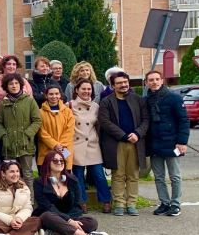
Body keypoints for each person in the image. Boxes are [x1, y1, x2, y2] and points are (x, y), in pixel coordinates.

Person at [98, 72, 149, 216]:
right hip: (117, 143)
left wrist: (137, 133)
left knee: (133, 175)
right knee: (118, 174)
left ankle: (132, 203)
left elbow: (146, 120)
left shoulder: (138, 100)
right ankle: (119, 203)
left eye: (125, 82)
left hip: (136, 142)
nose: (123, 85)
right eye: (119, 83)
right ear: (113, 85)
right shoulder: (106, 102)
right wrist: (124, 135)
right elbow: (105, 122)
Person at [33, 150, 110, 235]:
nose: (59, 163)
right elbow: (46, 206)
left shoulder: (72, 180)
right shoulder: (39, 182)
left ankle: (54, 233)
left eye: (61, 161)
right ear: (47, 163)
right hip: (50, 217)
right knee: (46, 216)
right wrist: (68, 220)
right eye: (55, 161)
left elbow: (77, 204)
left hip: (69, 217)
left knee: (92, 222)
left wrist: (72, 220)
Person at [145, 70, 189, 217]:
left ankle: (175, 204)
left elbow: (183, 120)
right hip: (155, 144)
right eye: (151, 80)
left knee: (175, 176)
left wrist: (182, 142)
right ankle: (164, 203)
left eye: (157, 79)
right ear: (146, 83)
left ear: (162, 81)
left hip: (172, 143)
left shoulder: (174, 98)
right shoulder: (146, 100)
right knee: (158, 176)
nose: (154, 82)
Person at [68, 79, 112, 214]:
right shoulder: (69, 105)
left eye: (89, 89)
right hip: (76, 144)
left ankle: (106, 200)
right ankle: (81, 202)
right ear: (76, 90)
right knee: (78, 175)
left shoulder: (96, 106)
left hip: (92, 144)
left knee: (99, 175)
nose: (87, 91)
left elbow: (99, 125)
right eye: (83, 89)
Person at [0, 72, 41, 191]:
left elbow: (37, 120)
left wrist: (27, 134)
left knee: (27, 174)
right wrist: (4, 136)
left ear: (21, 85)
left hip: (26, 146)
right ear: (6, 86)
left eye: (16, 83)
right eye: (11, 84)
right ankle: (11, 201)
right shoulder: (3, 103)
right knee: (10, 176)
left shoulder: (29, 101)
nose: (14, 86)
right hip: (9, 147)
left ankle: (28, 204)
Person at [0, 160, 42, 235]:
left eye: (17, 171)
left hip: (18, 221)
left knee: (37, 220)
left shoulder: (23, 187)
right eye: (12, 172)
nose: (16, 174)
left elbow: (28, 208)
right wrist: (10, 221)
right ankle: (28, 233)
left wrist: (19, 219)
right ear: (3, 173)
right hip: (1, 222)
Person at [37, 85, 75, 167]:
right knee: (47, 175)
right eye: (51, 94)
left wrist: (60, 146)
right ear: (46, 96)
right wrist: (54, 145)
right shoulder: (40, 112)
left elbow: (70, 131)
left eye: (56, 94)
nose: (54, 96)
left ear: (60, 95)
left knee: (64, 173)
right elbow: (41, 132)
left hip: (64, 149)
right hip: (46, 148)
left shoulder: (68, 111)